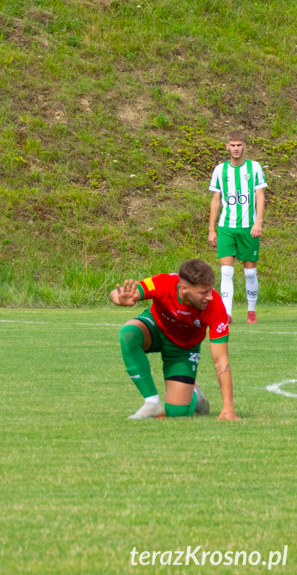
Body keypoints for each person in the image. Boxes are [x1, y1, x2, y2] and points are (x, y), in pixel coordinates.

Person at [110, 259, 239, 421]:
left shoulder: (215, 306)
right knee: (129, 333)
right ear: (184, 288)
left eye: (210, 290)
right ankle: (152, 402)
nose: (209, 297)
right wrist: (119, 298)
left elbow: (220, 359)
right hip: (155, 328)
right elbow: (118, 292)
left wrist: (228, 407)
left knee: (176, 412)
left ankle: (194, 394)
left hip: (183, 349)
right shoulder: (163, 283)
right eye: (202, 292)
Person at [207, 130, 267, 324]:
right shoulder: (219, 170)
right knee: (226, 272)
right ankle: (227, 313)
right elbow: (216, 201)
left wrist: (258, 222)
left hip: (249, 227)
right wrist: (211, 229)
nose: (235, 148)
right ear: (227, 147)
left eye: (239, 145)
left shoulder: (255, 168)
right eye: (232, 145)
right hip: (226, 227)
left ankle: (251, 310)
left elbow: (260, 196)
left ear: (244, 146)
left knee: (250, 272)